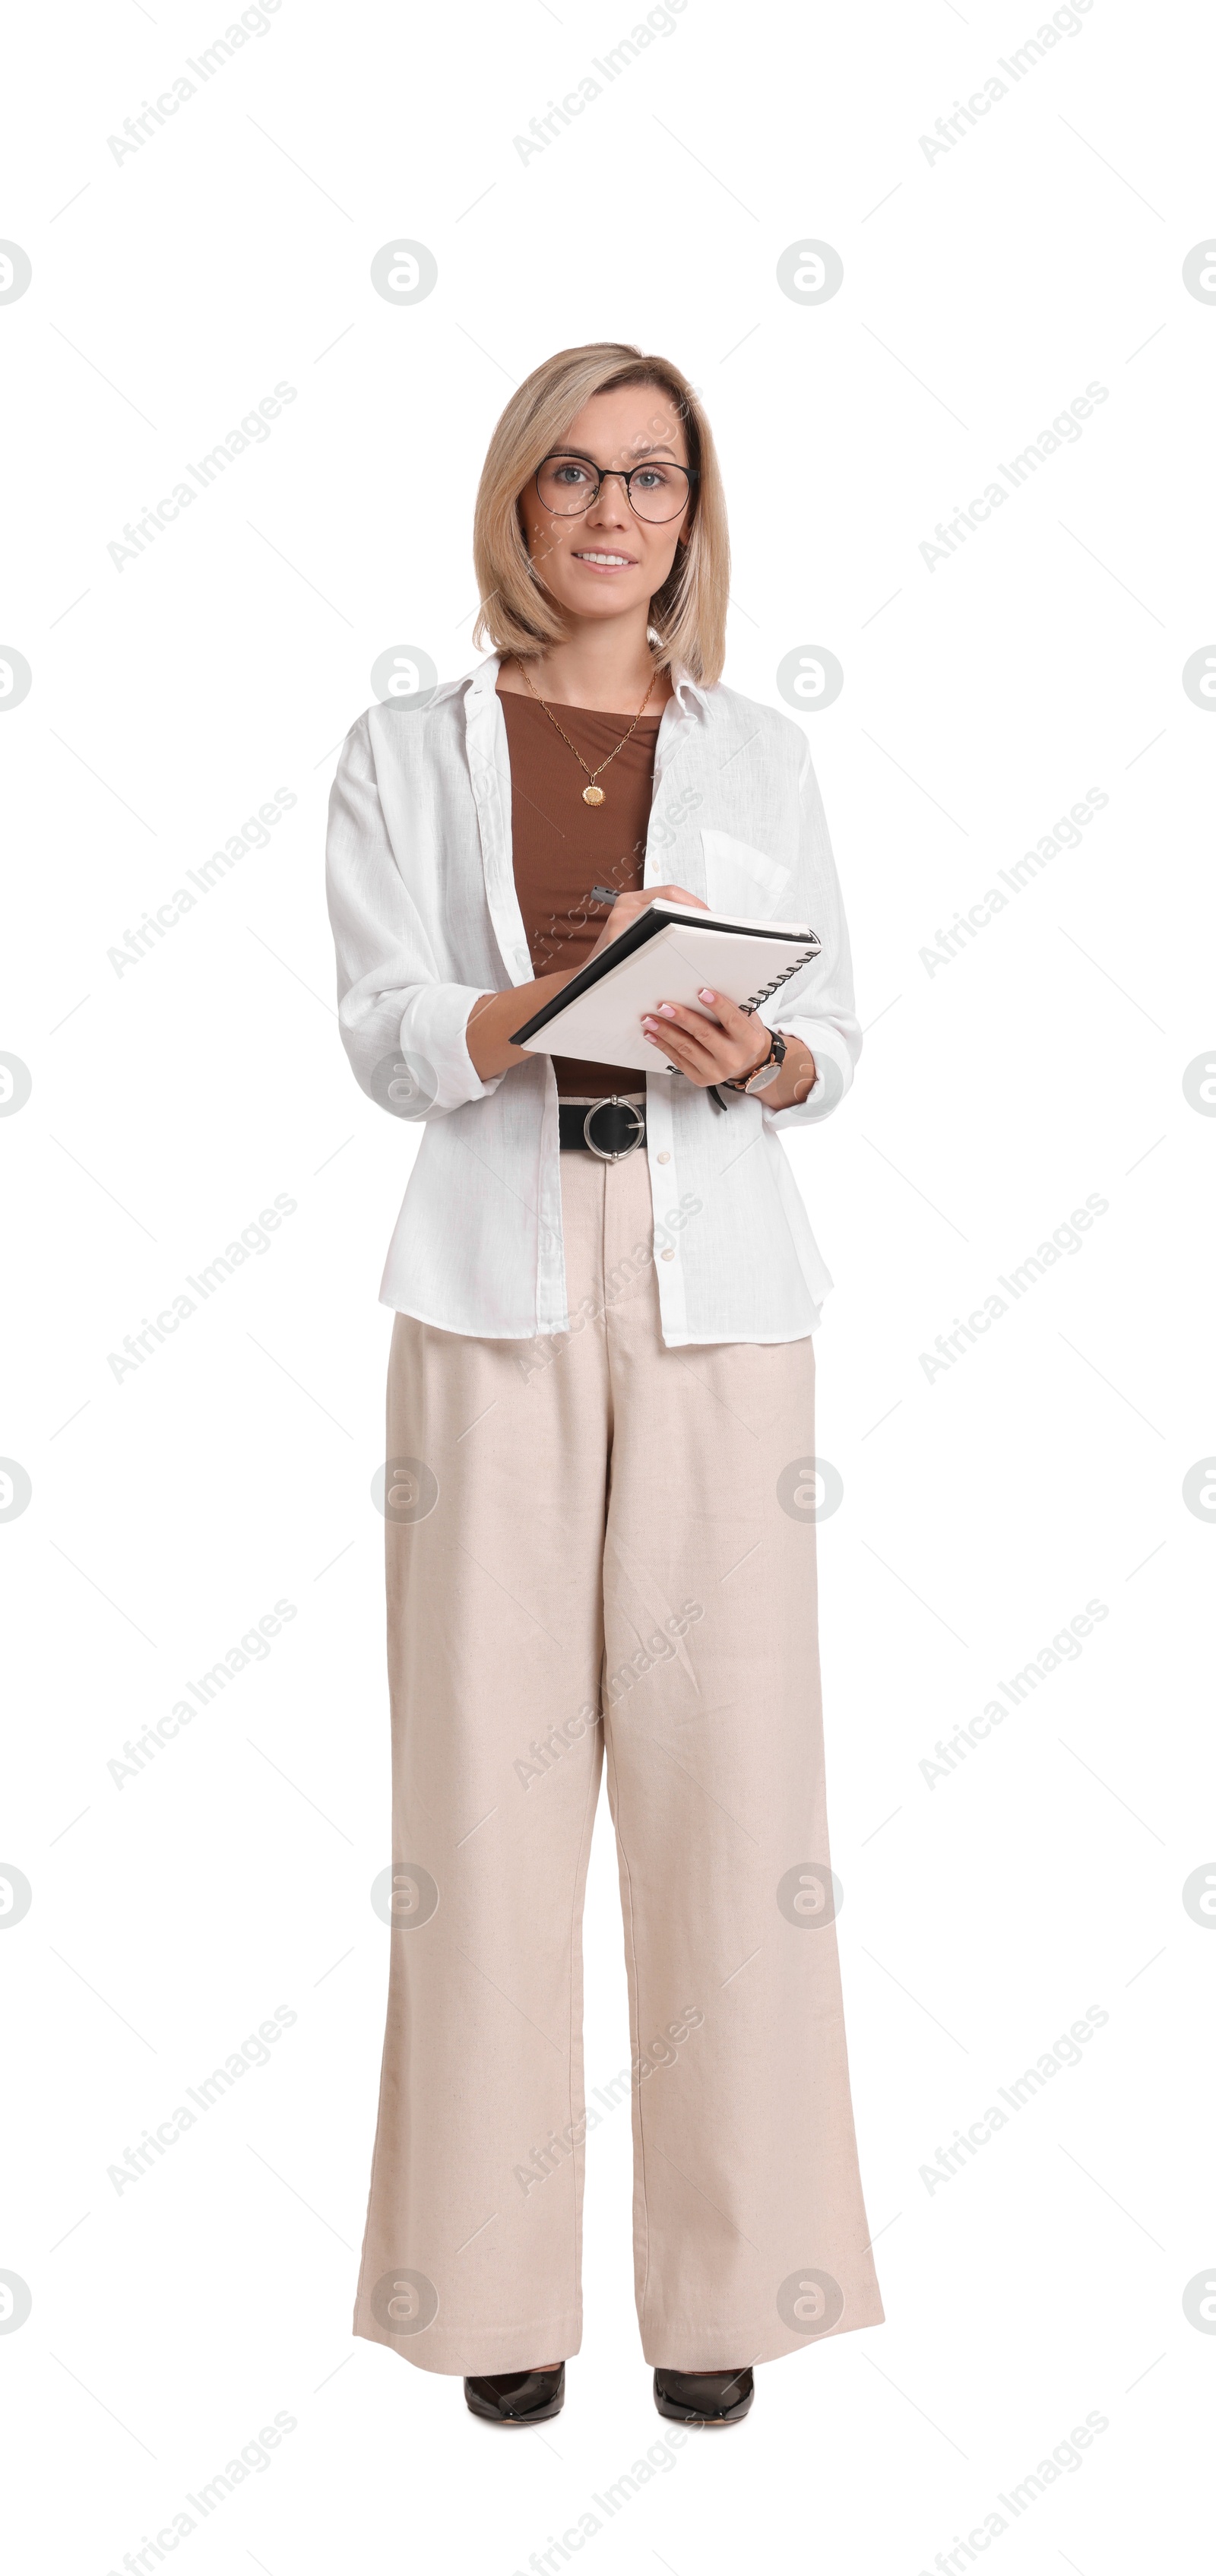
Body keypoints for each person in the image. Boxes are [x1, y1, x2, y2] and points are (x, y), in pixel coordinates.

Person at [325, 341, 884, 2428]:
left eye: (650, 477)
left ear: (689, 512)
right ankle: (490, 2302)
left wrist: (775, 1055)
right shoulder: (405, 747)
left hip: (720, 1278)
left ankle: (733, 2284)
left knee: (734, 1781)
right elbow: (386, 1031)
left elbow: (839, 1030)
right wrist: (537, 1005)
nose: (611, 510)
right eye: (572, 473)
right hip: (491, 1281)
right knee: (484, 1784)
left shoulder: (762, 755)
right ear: (519, 501)